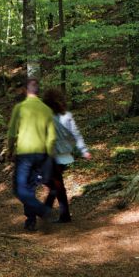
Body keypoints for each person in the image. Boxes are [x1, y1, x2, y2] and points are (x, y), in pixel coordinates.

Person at [6, 78, 59, 231]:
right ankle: (30, 221)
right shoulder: (46, 110)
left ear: (25, 90)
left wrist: (10, 150)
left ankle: (43, 211)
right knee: (29, 187)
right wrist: (49, 156)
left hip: (25, 153)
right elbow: (52, 136)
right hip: (42, 154)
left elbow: (11, 133)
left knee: (20, 190)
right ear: (38, 91)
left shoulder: (20, 108)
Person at [41, 88, 91, 222]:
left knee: (53, 183)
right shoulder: (67, 115)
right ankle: (51, 210)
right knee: (55, 183)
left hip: (53, 154)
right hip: (66, 154)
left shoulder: (47, 117)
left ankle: (58, 213)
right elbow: (76, 134)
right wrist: (83, 150)